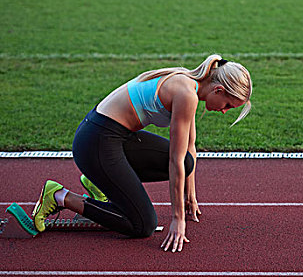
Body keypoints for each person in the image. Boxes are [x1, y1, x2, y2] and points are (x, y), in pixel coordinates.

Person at [31, 54, 252, 252]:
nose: (224, 111)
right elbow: (174, 161)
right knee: (142, 225)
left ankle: (99, 184)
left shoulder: (190, 83)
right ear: (218, 90)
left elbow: (189, 149)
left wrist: (190, 197)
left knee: (187, 162)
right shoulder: (187, 94)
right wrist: (178, 219)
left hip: (114, 137)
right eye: (228, 105)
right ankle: (60, 196)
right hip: (95, 143)